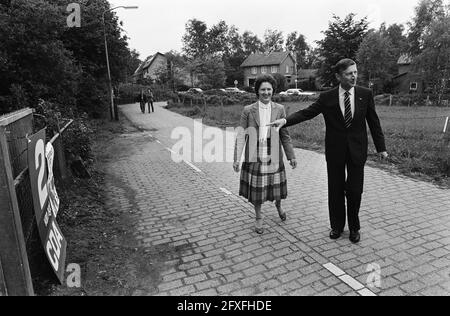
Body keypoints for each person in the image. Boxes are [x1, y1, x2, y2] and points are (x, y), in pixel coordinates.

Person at [269, 59, 388, 243]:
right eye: (349, 73)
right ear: (338, 76)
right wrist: (285, 121)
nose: (354, 76)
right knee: (336, 190)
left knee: (355, 191)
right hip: (335, 151)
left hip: (357, 151)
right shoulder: (327, 97)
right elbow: (306, 113)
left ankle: (354, 227)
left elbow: (374, 122)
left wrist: (381, 148)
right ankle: (337, 227)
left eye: (355, 72)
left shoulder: (365, 94)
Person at [234, 74, 297, 234]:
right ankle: (258, 217)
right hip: (255, 154)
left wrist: (291, 156)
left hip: (274, 152)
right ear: (257, 91)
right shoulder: (248, 110)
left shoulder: (279, 109)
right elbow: (241, 135)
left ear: (273, 90)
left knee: (275, 186)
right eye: (263, 89)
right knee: (258, 189)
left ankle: (278, 205)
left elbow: (284, 135)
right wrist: (237, 158)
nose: (266, 92)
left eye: (269, 89)